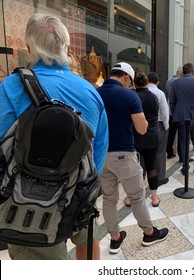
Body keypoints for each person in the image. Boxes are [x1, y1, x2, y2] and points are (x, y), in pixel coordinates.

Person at [0, 13, 108, 260]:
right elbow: (100, 147)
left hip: (29, 200)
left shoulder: (11, 87)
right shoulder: (89, 91)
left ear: (29, 46)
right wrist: (83, 188)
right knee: (88, 243)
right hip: (80, 191)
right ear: (66, 46)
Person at [97, 62, 169, 254]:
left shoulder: (95, 92)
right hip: (123, 155)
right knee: (137, 197)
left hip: (101, 156)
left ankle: (115, 238)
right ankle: (149, 233)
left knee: (109, 199)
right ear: (127, 78)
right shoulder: (130, 95)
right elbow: (142, 128)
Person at [124, 69, 161, 207]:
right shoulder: (153, 96)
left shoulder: (132, 96)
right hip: (153, 135)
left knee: (135, 168)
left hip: (136, 136)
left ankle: (130, 197)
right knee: (151, 166)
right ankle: (154, 197)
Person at [170, 63, 194, 175]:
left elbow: (172, 101)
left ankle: (185, 167)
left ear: (183, 72)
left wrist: (176, 112)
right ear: (193, 71)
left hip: (181, 116)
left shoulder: (175, 83)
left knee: (183, 141)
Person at [147, 72, 170, 186]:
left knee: (144, 151)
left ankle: (143, 175)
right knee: (160, 151)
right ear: (158, 82)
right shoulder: (160, 93)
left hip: (143, 124)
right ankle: (160, 177)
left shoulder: (140, 92)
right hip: (158, 123)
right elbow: (164, 112)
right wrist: (166, 126)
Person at [166, 66, 183, 160]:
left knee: (171, 134)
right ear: (181, 73)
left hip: (170, 112)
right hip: (177, 111)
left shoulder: (169, 80)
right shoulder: (178, 82)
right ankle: (181, 155)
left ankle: (169, 151)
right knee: (181, 134)